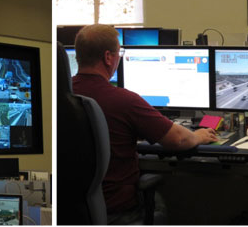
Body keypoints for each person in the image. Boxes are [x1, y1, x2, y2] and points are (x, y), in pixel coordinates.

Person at [71, 24, 219, 224]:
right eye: (119, 52)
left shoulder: (61, 97)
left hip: (71, 209)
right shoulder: (123, 100)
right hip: (117, 209)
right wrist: (198, 136)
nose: (119, 57)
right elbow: (178, 140)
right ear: (108, 57)